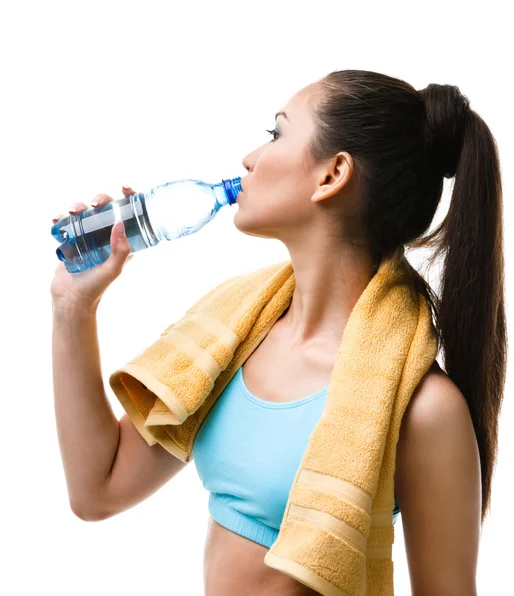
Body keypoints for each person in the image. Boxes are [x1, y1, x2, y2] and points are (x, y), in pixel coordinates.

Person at [51, 69, 506, 595]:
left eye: (276, 134)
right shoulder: (234, 340)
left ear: (332, 175)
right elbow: (97, 490)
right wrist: (72, 307)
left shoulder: (424, 409)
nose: (249, 158)